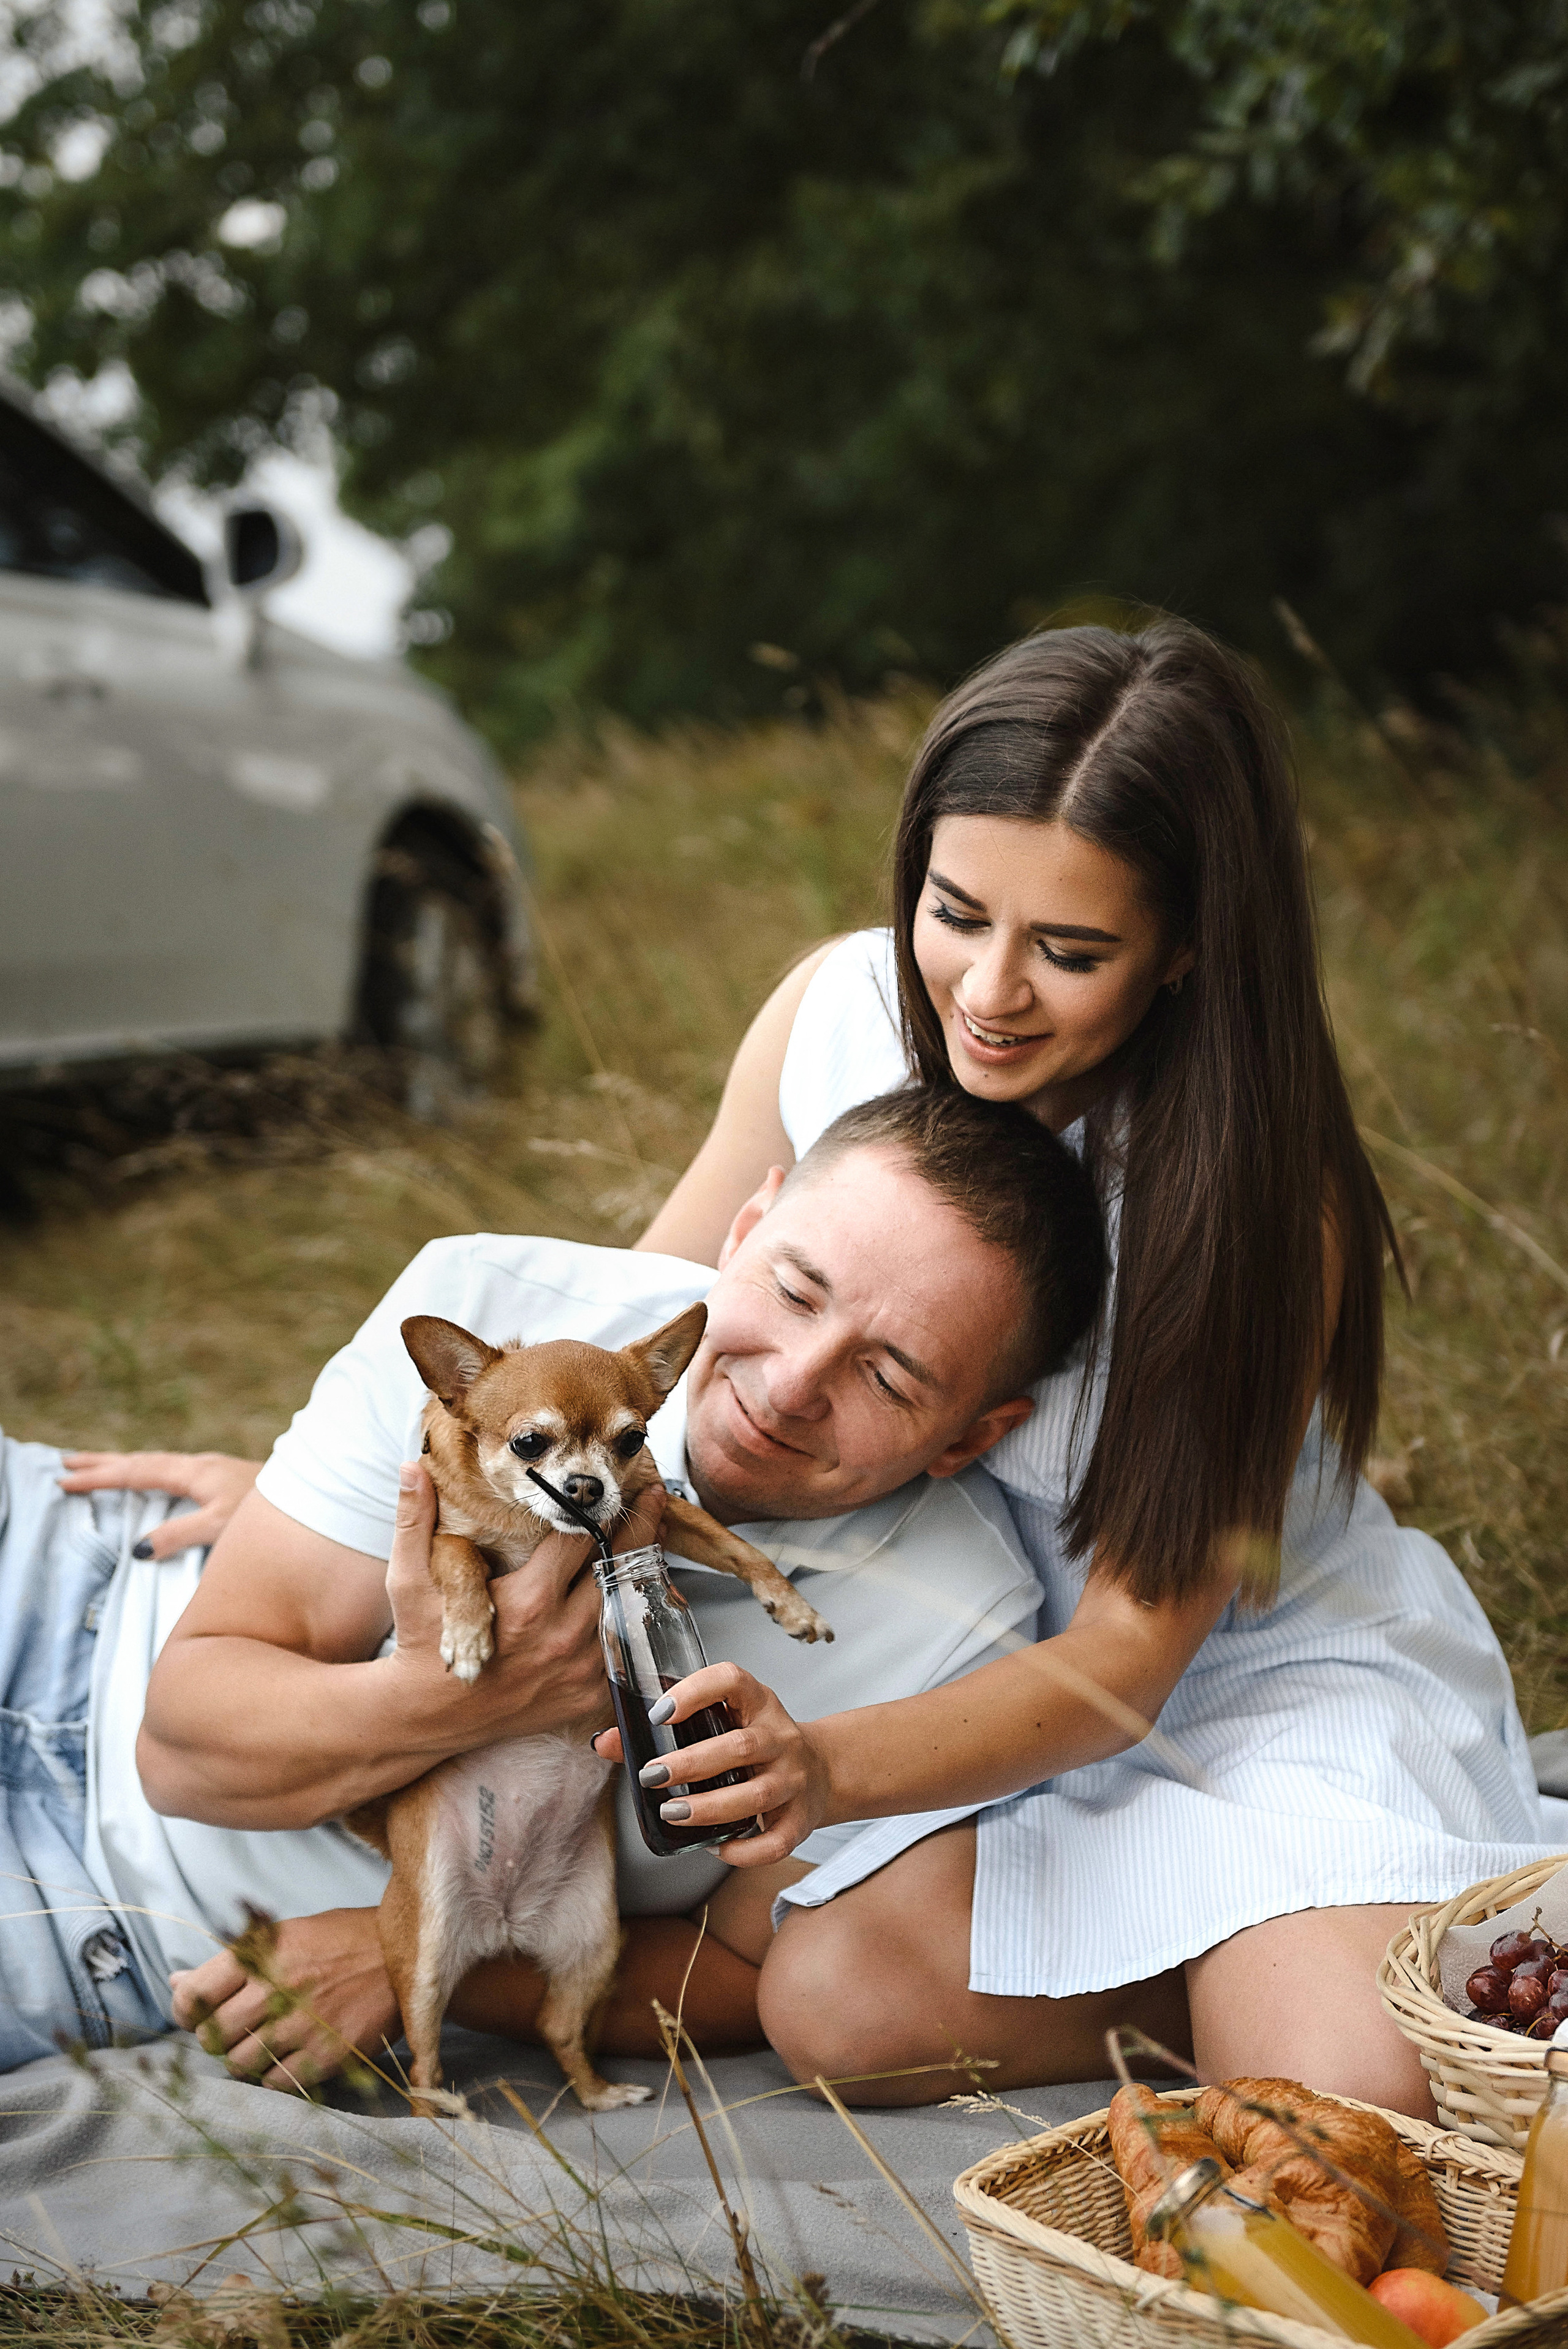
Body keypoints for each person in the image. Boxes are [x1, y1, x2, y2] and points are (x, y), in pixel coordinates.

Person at [628, 617, 1553, 2115]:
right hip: (966, 1674)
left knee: (1342, 2097)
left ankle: (1315, 1914)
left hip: (1232, 1684)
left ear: (1185, 945)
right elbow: (645, 1313)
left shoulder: (1250, 1195)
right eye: (954, 910)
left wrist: (831, 1767)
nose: (986, 991)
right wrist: (358, 1461)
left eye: (1069, 950)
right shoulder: (836, 1012)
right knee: (833, 2006)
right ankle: (1220, 1955)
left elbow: (1132, 1655)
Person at [0, 1087, 1126, 2087]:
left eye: (886, 1374)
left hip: (115, 1925)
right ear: (746, 1226)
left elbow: (739, 1967)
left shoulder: (956, 1647)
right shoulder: (484, 1296)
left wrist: (400, 1952)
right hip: (75, 1576)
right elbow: (183, 1745)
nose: (788, 1388)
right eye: (791, 1290)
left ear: (970, 1437)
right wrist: (477, 1695)